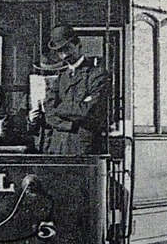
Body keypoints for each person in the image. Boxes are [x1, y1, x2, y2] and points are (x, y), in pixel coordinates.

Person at [30, 26, 111, 154]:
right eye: (59, 52)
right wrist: (71, 123)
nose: (64, 55)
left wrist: (59, 107)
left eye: (67, 49)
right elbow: (49, 112)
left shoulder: (97, 74)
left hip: (83, 148)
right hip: (56, 147)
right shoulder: (60, 77)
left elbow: (88, 111)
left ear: (78, 45)